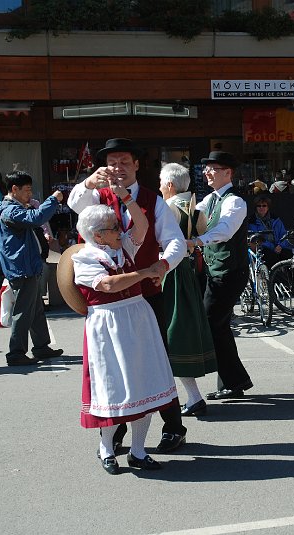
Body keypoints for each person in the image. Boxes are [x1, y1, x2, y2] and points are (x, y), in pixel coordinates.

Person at [67, 138, 188, 454]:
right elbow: (74, 201)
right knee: (116, 367)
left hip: (146, 294)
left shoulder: (152, 200)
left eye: (124, 162)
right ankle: (117, 430)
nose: (118, 168)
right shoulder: (95, 196)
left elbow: (173, 240)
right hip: (107, 303)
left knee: (156, 362)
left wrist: (163, 264)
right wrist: (90, 180)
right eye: (112, 162)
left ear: (137, 165)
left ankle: (174, 427)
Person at [72, 202, 177, 475]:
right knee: (114, 389)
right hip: (108, 325)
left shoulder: (123, 249)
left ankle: (138, 451)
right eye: (114, 228)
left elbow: (142, 226)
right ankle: (107, 449)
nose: (120, 231)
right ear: (97, 235)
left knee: (146, 382)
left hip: (138, 318)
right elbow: (107, 285)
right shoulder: (84, 258)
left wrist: (127, 198)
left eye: (118, 226)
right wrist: (145, 272)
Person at [193, 151, 254, 400]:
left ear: (228, 172)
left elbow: (225, 230)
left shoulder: (235, 201)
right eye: (206, 169)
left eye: (213, 169)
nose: (207, 172)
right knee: (219, 325)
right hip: (215, 270)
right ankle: (233, 381)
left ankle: (234, 380)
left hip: (230, 272)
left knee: (211, 323)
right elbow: (190, 217)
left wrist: (197, 240)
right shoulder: (210, 200)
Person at [158, 163, 217, 417]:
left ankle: (188, 398)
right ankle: (192, 397)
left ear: (169, 185)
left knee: (172, 333)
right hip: (188, 271)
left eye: (161, 183)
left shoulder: (168, 208)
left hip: (170, 272)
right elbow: (202, 234)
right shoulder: (196, 208)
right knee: (178, 332)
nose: (160, 188)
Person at [0, 171, 64, 366]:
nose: (30, 194)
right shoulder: (11, 211)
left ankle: (41, 347)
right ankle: (16, 353)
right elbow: (36, 218)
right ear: (14, 189)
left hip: (26, 265)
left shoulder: (12, 208)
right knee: (24, 311)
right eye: (27, 190)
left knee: (36, 309)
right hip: (22, 267)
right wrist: (53, 200)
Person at [247, 194, 293, 268]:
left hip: (278, 246)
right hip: (262, 247)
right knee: (271, 256)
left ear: (268, 207)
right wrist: (273, 247)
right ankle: (273, 278)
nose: (261, 208)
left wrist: (280, 245)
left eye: (264, 205)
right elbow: (256, 238)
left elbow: (283, 234)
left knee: (288, 254)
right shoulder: (252, 221)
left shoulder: (276, 219)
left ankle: (290, 279)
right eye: (259, 206)